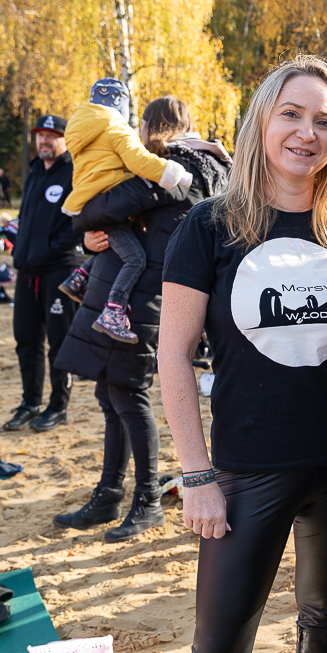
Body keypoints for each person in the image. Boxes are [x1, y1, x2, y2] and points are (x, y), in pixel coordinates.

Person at [135, 58, 327, 653]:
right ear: (261, 121)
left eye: (324, 120)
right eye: (291, 114)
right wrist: (196, 476)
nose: (306, 133)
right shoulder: (210, 226)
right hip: (245, 472)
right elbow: (172, 357)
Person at [52, 96, 223, 543]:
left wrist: (83, 227)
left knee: (127, 395)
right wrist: (94, 241)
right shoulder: (214, 168)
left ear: (151, 127)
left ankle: (146, 501)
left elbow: (96, 207)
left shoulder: (174, 169)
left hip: (146, 299)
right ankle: (109, 493)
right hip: (147, 294)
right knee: (112, 396)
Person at [58, 78, 192, 344]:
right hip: (110, 203)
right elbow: (137, 160)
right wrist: (171, 172)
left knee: (120, 243)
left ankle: (78, 277)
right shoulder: (115, 127)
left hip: (92, 202)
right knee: (135, 258)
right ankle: (114, 312)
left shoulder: (84, 130)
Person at [4, 115, 82, 433]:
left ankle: (58, 406)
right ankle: (30, 402)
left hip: (59, 270)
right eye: (40, 135)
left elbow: (78, 223)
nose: (44, 141)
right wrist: (20, 248)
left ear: (64, 140)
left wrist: (47, 249)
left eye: (51, 136)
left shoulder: (74, 172)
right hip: (27, 271)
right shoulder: (34, 173)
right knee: (26, 339)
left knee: (59, 342)